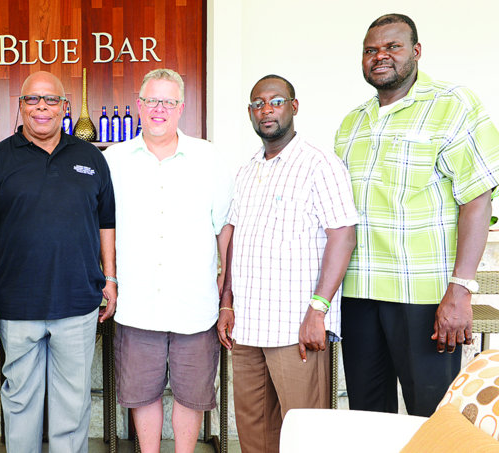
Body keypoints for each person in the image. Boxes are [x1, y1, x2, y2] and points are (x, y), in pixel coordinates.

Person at [335, 13, 499, 416]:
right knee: (367, 415)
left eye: (392, 47)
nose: (380, 56)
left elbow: (476, 201)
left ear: (416, 51)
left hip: (423, 298)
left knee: (430, 415)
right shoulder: (352, 123)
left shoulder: (453, 104)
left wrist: (460, 291)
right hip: (358, 294)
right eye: (371, 50)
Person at [0, 71, 116, 452]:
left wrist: (110, 279)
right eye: (32, 100)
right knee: (19, 406)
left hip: (77, 304)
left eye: (50, 100)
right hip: (15, 308)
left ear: (65, 107)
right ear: (20, 106)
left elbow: (106, 224)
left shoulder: (90, 158)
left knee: (73, 406)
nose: (42, 108)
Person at [219, 74, 358, 453]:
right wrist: (227, 301)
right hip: (247, 327)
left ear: (293, 107)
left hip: (295, 329)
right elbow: (235, 239)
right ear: (250, 113)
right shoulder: (248, 170)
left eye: (276, 101)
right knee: (253, 431)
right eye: (258, 103)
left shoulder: (320, 165)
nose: (266, 109)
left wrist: (319, 311)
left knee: (303, 434)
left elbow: (343, 236)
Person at [103, 68, 233, 452]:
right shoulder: (115, 159)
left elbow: (224, 229)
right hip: (136, 303)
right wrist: (108, 279)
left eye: (168, 101)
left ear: (181, 108)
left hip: (195, 305)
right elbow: (103, 227)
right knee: (142, 394)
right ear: (139, 106)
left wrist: (227, 296)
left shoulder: (208, 157)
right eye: (152, 100)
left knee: (192, 396)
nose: (159, 108)